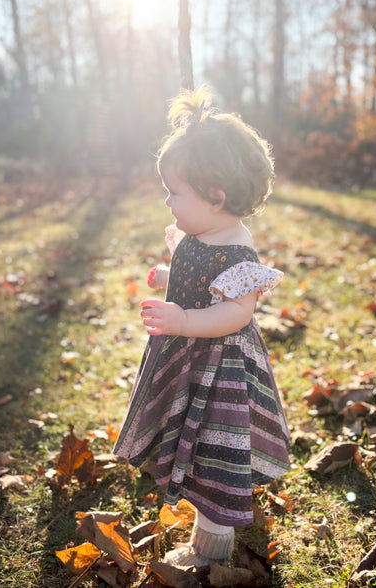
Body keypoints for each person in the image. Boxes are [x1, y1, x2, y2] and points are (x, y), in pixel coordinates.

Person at [114, 85, 290, 568]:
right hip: (186, 357)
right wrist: (172, 278)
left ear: (215, 197)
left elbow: (235, 312)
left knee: (216, 446)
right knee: (185, 434)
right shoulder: (201, 231)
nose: (168, 203)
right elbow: (200, 278)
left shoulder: (237, 251)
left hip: (219, 373)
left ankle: (211, 552)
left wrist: (185, 319)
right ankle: (186, 484)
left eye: (175, 192)